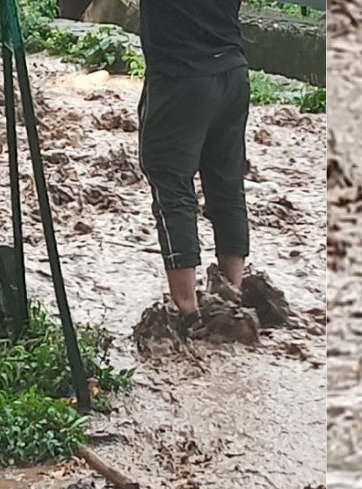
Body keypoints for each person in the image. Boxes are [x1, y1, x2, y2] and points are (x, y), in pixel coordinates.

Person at [138, 0, 250, 336]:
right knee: (227, 185)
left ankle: (187, 311)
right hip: (233, 74)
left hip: (179, 78)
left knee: (171, 185)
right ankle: (232, 298)